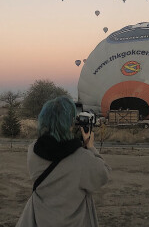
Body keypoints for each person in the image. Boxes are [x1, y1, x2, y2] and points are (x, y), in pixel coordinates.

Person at [16, 96, 111, 227]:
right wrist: (90, 146)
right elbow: (102, 175)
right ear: (69, 124)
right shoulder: (82, 158)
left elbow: (57, 150)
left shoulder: (33, 151)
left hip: (41, 219)